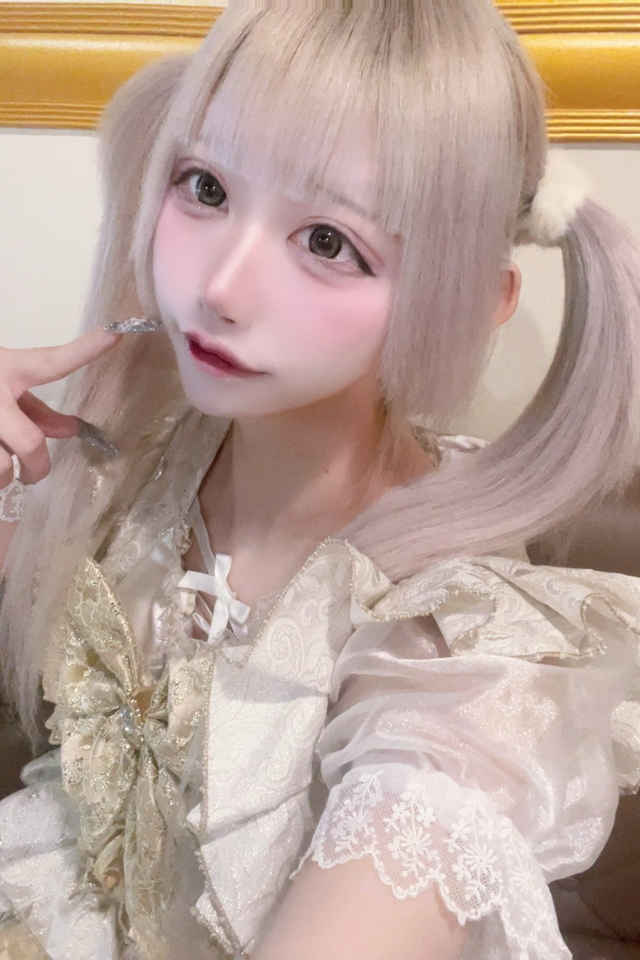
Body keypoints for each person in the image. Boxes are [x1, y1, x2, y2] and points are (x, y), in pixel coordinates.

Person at [0, 1, 639, 958]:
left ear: (476, 300)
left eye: (330, 242)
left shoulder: (447, 650)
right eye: (206, 186)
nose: (219, 287)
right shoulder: (127, 465)